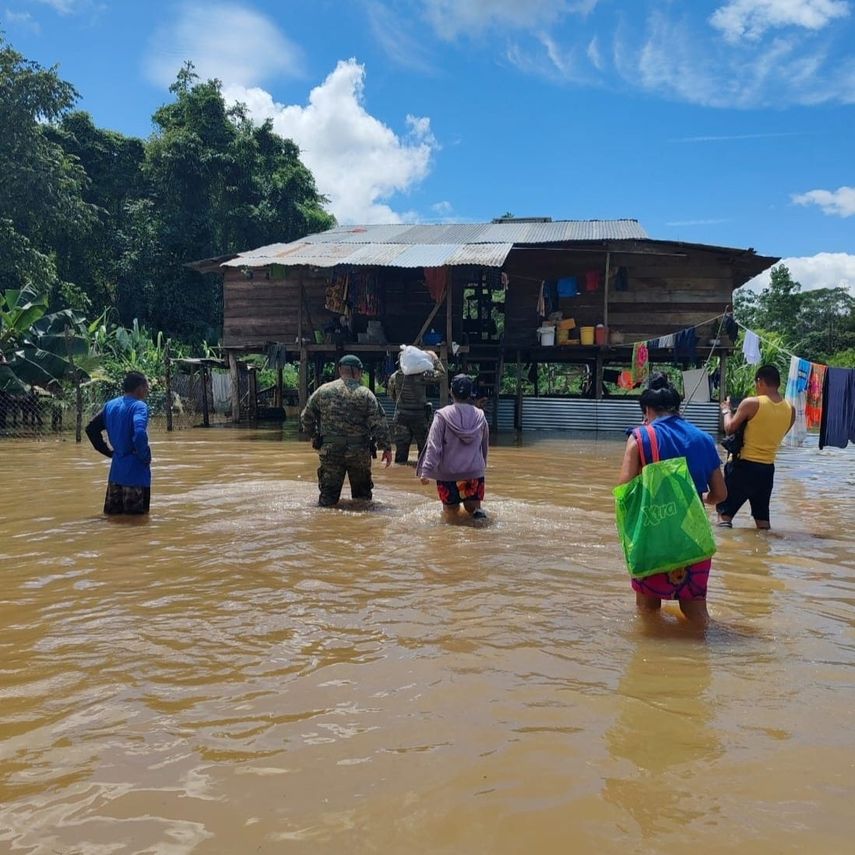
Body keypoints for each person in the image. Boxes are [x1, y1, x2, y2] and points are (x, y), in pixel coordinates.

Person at [617, 373, 727, 623]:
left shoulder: (640, 438)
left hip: (652, 535)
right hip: (693, 536)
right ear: (677, 407)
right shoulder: (703, 439)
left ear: (647, 409)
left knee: (648, 612)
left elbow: (624, 491)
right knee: (696, 612)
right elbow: (721, 494)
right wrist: (704, 500)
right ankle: (705, 659)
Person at [301, 354, 392, 507]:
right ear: (358, 372)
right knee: (362, 501)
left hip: (330, 451)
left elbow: (306, 417)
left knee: (327, 500)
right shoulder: (366, 394)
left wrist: (314, 436)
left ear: (340, 370)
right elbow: (379, 424)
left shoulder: (323, 391)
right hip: (359, 452)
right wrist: (386, 448)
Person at [716, 364, 795, 530]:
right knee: (762, 520)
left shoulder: (752, 403)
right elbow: (781, 434)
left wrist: (725, 411)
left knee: (724, 514)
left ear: (760, 381)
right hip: (767, 470)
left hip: (743, 466)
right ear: (778, 383)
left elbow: (729, 428)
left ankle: (725, 552)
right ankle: (764, 552)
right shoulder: (790, 409)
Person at [416, 374, 489, 521]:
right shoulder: (480, 416)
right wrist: (482, 467)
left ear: (451, 391)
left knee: (451, 516)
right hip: (473, 474)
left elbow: (434, 445)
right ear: (471, 393)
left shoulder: (442, 416)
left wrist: (426, 471)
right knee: (474, 510)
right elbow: (484, 445)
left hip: (448, 476)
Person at [85, 371, 152, 515]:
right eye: (146, 387)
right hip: (136, 475)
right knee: (137, 527)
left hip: (116, 476)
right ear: (139, 388)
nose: (147, 390)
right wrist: (145, 456)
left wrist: (108, 452)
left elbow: (91, 428)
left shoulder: (110, 405)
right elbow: (139, 433)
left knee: (113, 521)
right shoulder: (139, 406)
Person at [386, 349, 446, 464]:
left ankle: (401, 478)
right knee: (424, 453)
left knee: (400, 455)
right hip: (420, 417)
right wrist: (435, 358)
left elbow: (391, 395)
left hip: (401, 417)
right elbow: (442, 375)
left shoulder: (394, 377)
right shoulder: (422, 375)